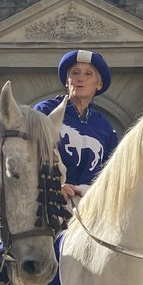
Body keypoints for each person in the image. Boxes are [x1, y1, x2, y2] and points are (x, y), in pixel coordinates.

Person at [33, 49, 119, 202]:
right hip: (47, 202)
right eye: (75, 72)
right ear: (67, 81)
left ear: (99, 84)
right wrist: (54, 185)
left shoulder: (105, 127)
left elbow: (110, 173)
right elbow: (28, 155)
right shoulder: (44, 111)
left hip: (90, 205)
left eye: (88, 74)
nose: (81, 79)